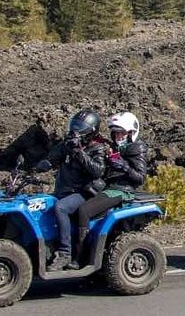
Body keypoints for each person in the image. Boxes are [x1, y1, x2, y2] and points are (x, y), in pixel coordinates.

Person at [71, 112, 148, 269]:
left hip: (121, 190)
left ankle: (80, 256)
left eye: (122, 132)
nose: (118, 136)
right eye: (115, 132)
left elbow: (140, 177)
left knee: (84, 210)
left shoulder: (136, 148)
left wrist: (124, 166)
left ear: (131, 133)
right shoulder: (112, 147)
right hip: (106, 188)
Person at [35, 109, 108, 271]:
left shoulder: (98, 148)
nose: (75, 131)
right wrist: (38, 168)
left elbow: (97, 170)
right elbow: (52, 158)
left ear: (91, 131)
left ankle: (65, 253)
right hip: (63, 190)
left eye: (80, 128)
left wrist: (79, 152)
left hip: (82, 192)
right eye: (74, 126)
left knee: (60, 208)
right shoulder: (68, 145)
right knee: (41, 206)